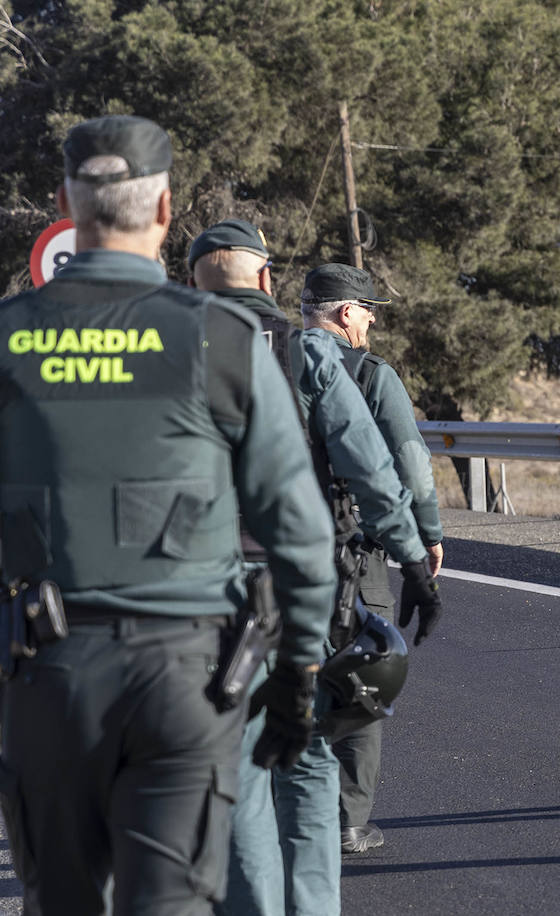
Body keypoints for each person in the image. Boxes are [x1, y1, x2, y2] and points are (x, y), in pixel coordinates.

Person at [0, 115, 336, 915]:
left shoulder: (9, 340)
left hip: (48, 675)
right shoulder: (222, 340)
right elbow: (301, 538)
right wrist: (296, 679)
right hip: (189, 682)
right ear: (162, 212)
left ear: (67, 206)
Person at [188, 221, 442, 914]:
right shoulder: (305, 352)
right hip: (302, 587)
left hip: (197, 591)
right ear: (268, 279)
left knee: (233, 757)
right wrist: (415, 558)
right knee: (303, 750)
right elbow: (371, 466)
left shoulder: (161, 345)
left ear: (190, 281)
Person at [298, 262, 445, 853]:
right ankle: (348, 823)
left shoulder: (270, 363)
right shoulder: (367, 373)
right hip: (348, 552)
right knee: (362, 675)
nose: (373, 321)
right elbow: (409, 461)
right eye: (369, 310)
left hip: (265, 548)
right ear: (345, 312)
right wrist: (425, 535)